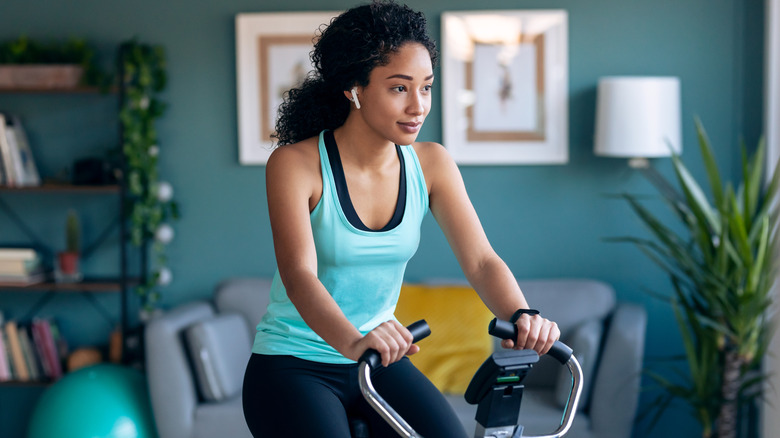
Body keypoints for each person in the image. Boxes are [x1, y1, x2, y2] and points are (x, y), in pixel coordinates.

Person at [241, 2, 560, 437]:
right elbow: (299, 275)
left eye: (426, 88)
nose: (418, 106)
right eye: (399, 89)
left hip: (379, 361)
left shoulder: (431, 164)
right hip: (294, 364)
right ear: (354, 89)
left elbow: (481, 261)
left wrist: (523, 314)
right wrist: (354, 343)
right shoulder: (295, 165)